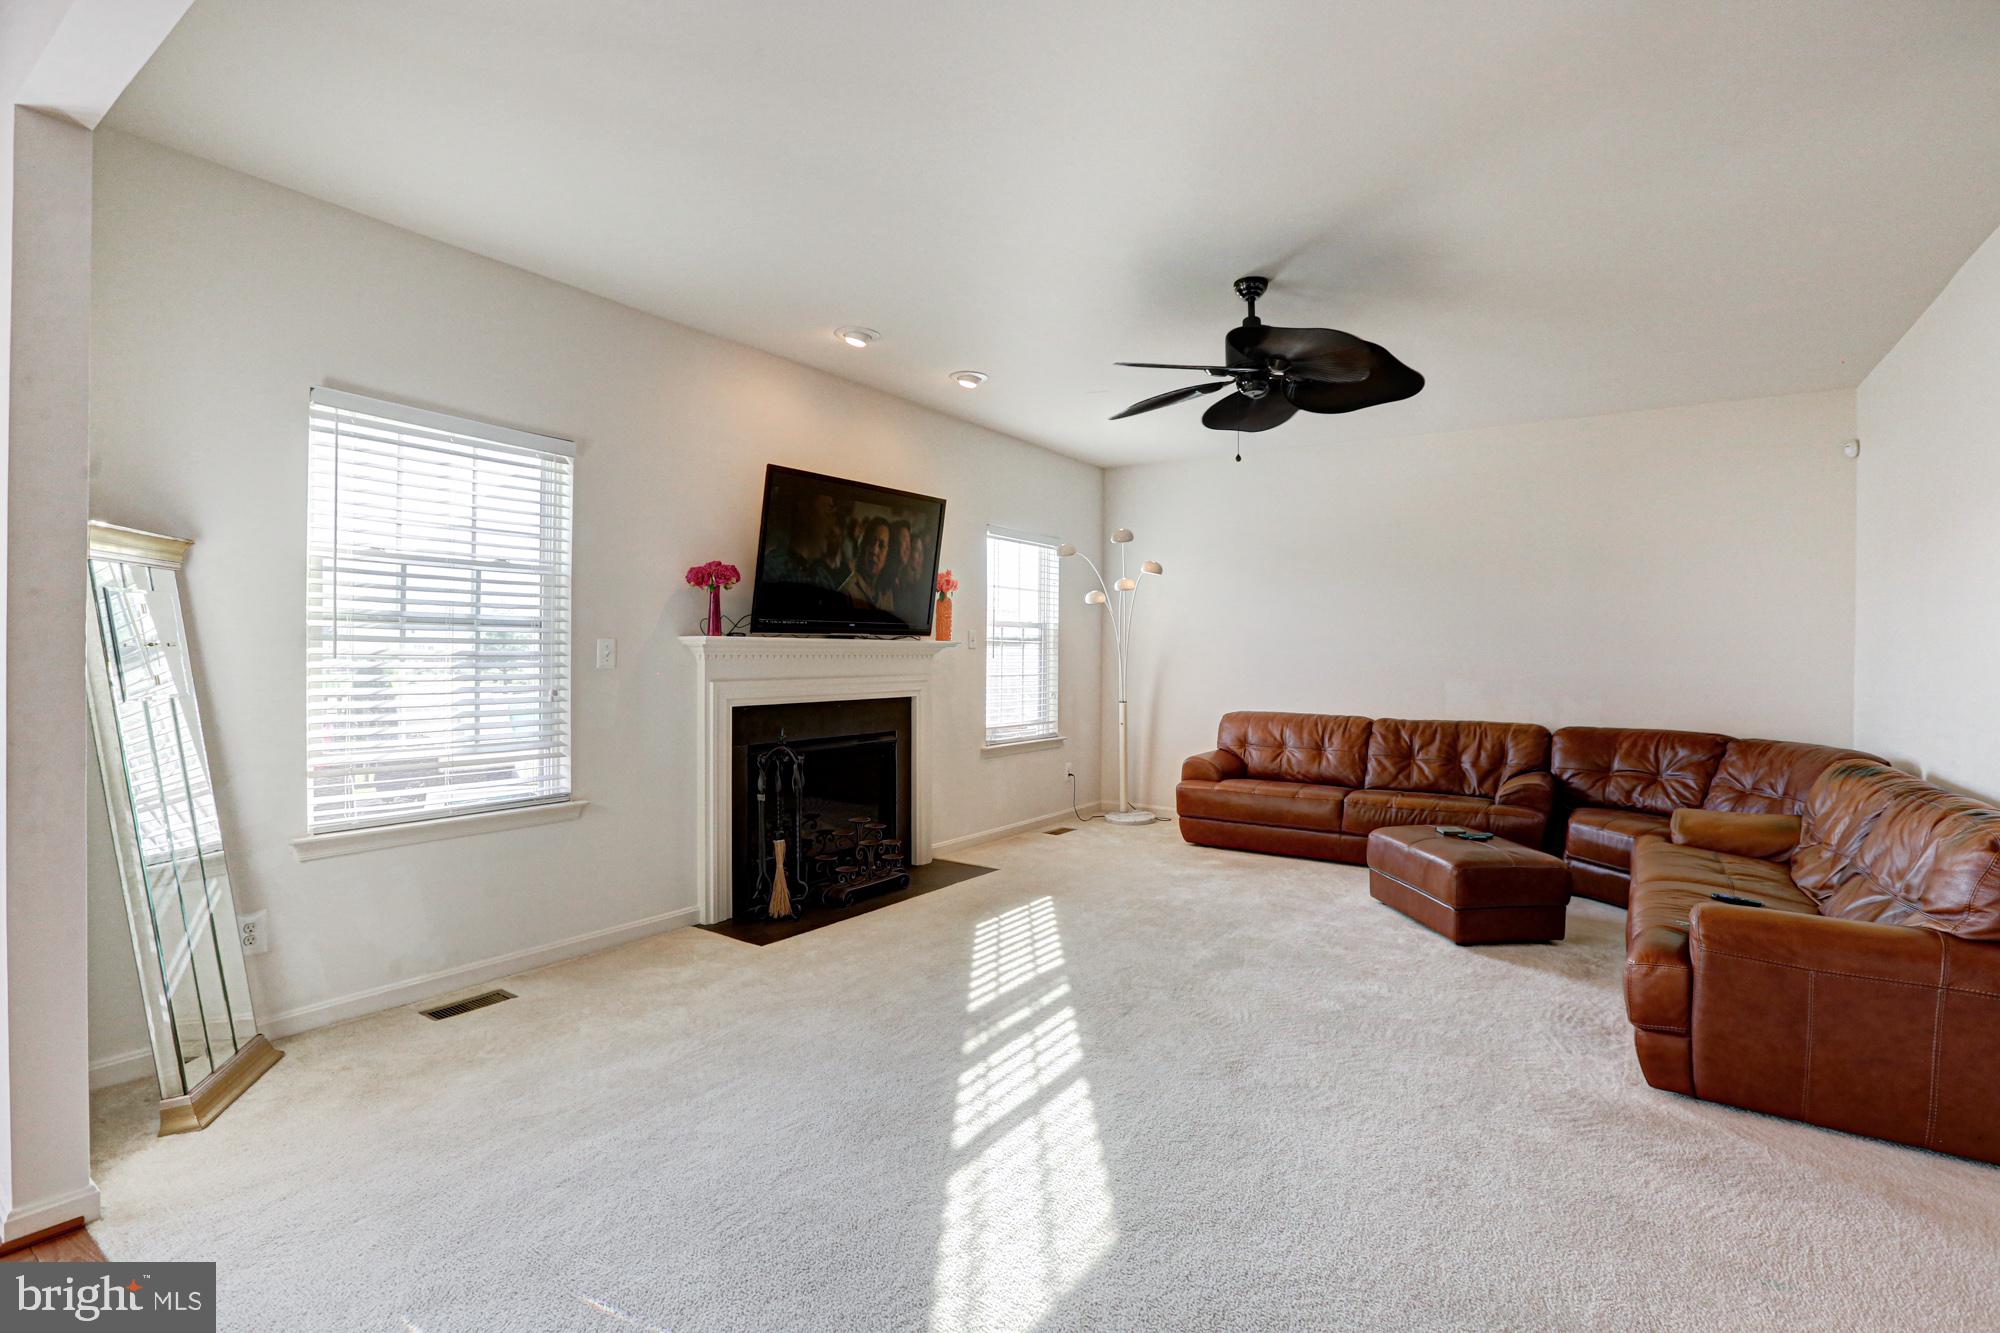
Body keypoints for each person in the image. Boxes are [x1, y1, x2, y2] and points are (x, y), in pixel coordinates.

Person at [839, 517, 895, 612]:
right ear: (864, 545)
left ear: (888, 555)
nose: (874, 551)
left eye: (881, 546)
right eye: (871, 542)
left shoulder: (886, 593)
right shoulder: (848, 593)